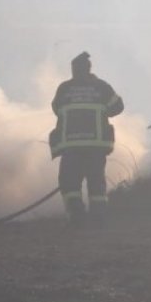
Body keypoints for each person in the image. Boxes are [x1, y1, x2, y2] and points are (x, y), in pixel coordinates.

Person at [49, 52, 124, 226]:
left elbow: (56, 108)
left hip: (71, 146)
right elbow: (118, 107)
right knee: (96, 183)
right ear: (89, 69)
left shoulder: (64, 88)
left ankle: (77, 218)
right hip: (95, 145)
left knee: (69, 184)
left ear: (74, 69)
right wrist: (102, 111)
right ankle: (98, 218)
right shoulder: (101, 87)